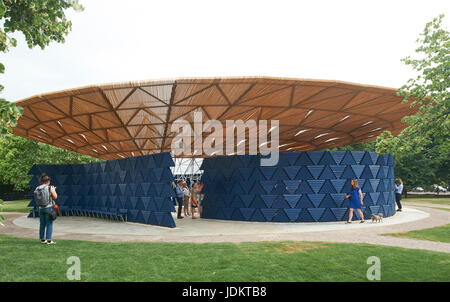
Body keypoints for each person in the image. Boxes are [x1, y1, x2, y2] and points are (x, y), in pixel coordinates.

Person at [36, 173, 58, 244]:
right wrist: (54, 190)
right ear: (48, 181)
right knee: (49, 223)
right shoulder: (49, 187)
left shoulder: (37, 188)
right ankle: (49, 240)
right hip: (48, 207)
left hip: (40, 208)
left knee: (42, 224)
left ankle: (42, 239)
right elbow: (55, 197)